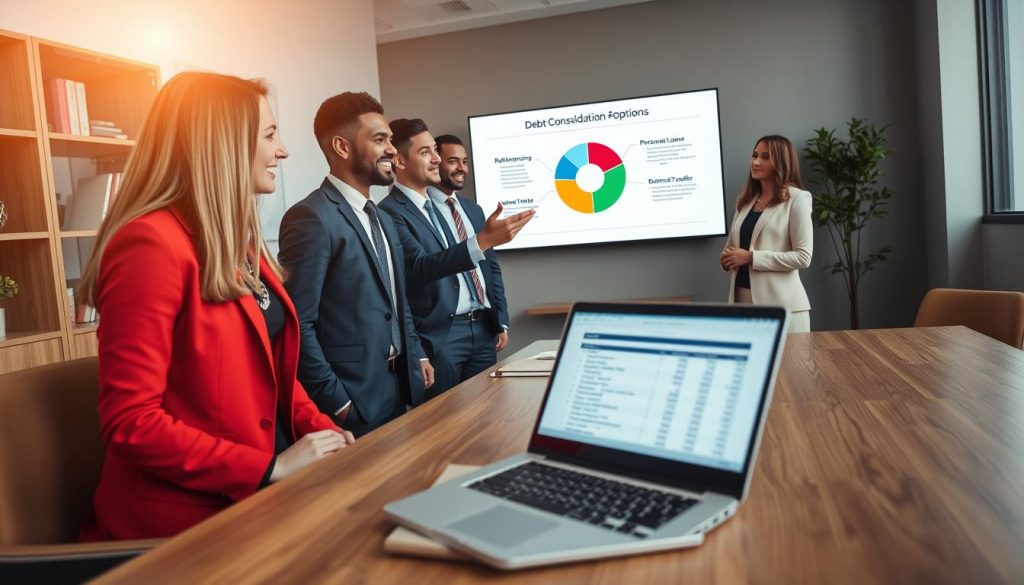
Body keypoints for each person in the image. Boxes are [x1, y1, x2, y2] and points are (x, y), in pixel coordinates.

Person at [77, 72, 354, 541]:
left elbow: (273, 374)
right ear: (222, 144)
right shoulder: (150, 244)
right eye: (270, 135)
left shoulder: (236, 243)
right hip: (191, 525)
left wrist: (325, 433)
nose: (283, 151)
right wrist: (270, 467)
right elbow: (132, 421)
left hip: (266, 497)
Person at [278, 93, 429, 436]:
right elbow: (298, 323)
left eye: (390, 139)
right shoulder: (311, 217)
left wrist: (416, 355)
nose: (392, 149)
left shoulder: (384, 218)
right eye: (380, 140)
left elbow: (396, 300)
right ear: (342, 147)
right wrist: (339, 402)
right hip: (353, 402)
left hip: (400, 388)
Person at [379, 120, 533, 397]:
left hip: (481, 328)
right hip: (441, 337)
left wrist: (497, 317)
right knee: (445, 427)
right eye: (426, 152)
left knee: (486, 415)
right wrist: (485, 239)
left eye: (435, 150)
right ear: (400, 161)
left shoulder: (439, 207)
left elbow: (483, 267)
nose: (436, 159)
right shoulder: (389, 212)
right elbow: (420, 267)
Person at [423, 134, 514, 383]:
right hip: (446, 333)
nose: (461, 168)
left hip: (484, 328)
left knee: (487, 409)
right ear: (435, 161)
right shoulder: (422, 209)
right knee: (446, 415)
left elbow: (491, 268)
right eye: (453, 161)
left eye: (464, 161)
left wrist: (500, 320)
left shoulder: (473, 210)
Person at [720, 134, 813, 332]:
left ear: (781, 161)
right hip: (741, 306)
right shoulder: (744, 201)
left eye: (764, 157)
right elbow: (731, 246)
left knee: (792, 364)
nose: (755, 162)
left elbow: (803, 257)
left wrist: (751, 257)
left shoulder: (797, 199)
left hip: (783, 309)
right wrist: (727, 257)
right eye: (754, 156)